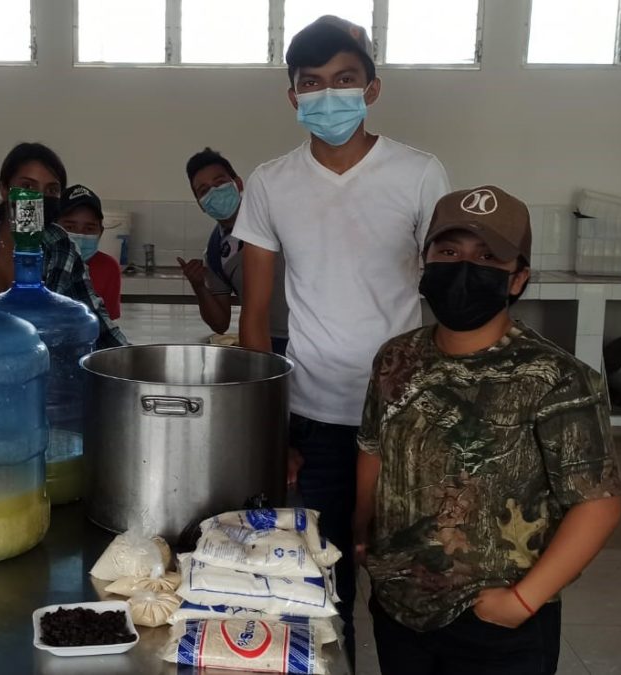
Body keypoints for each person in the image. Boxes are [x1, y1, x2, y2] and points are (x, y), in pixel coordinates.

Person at [233, 16, 451, 662]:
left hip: (406, 417)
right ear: (293, 95)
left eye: (345, 80)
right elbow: (254, 317)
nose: (329, 96)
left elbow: (446, 301)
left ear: (372, 88)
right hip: (317, 419)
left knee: (409, 585)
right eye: (313, 83)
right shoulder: (272, 183)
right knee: (325, 590)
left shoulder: (418, 174)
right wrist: (269, 430)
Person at [355, 186, 621, 674]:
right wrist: (363, 531)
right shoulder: (397, 358)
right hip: (400, 607)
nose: (464, 268)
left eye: (487, 257)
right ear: (425, 264)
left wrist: (521, 602)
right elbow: (375, 449)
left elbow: (597, 503)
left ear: (517, 278)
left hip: (498, 623)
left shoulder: (556, 378)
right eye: (449, 252)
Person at [0, 142, 127, 348]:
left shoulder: (61, 245)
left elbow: (97, 322)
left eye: (51, 190)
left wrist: (130, 366)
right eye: (28, 186)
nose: (39, 198)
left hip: (41, 365)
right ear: (4, 189)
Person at [179, 147, 289, 354]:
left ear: (237, 184)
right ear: (201, 205)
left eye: (219, 182)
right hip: (266, 344)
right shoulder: (215, 254)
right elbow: (220, 323)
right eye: (204, 191)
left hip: (312, 335)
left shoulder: (277, 216)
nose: (214, 191)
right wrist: (199, 287)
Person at [56, 184, 122, 320]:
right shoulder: (40, 263)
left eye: (89, 229)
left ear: (101, 232)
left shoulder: (108, 267)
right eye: (69, 227)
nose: (79, 234)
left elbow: (107, 324)